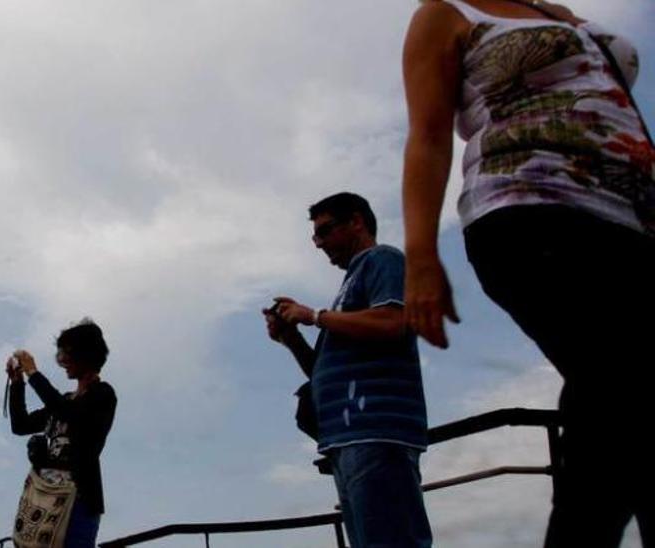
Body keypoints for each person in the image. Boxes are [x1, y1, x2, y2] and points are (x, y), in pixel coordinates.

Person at [400, 0, 654, 544]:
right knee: (616, 375)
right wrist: (421, 256)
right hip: (529, 208)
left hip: (633, 219)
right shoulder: (444, 15)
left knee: (629, 397)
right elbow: (426, 136)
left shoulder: (556, 11)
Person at [264, 193, 431, 547]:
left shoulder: (383, 260)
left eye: (325, 231)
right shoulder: (351, 287)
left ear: (356, 221)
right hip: (349, 437)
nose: (319, 243)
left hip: (375, 430)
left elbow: (395, 321)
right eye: (315, 236)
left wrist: (314, 317)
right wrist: (291, 339)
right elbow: (323, 371)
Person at [7, 319, 117, 548]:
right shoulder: (64, 400)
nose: (63, 361)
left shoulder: (102, 395)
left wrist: (34, 373)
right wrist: (17, 383)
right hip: (44, 498)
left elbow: (69, 413)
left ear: (84, 356)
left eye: (68, 354)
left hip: (78, 500)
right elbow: (20, 425)